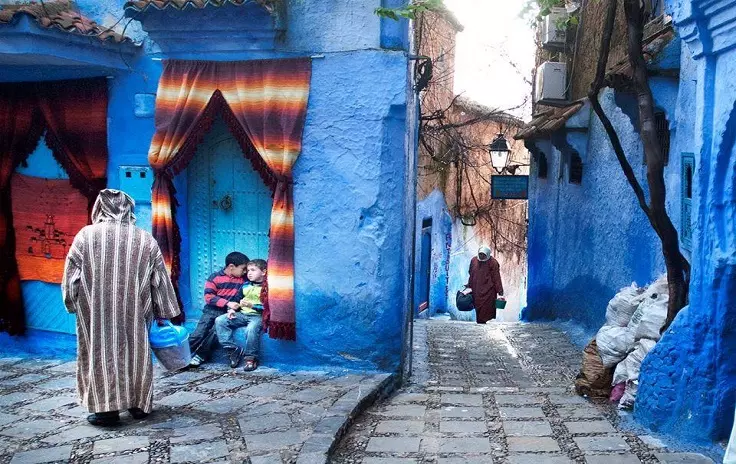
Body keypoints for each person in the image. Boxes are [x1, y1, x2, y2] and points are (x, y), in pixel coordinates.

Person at [62, 189, 180, 427]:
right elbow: (159, 279)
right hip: (135, 311)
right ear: (129, 209)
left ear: (99, 208)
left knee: (100, 354)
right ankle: (138, 405)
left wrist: (73, 304)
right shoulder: (145, 239)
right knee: (135, 353)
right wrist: (164, 311)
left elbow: (71, 278)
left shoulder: (86, 236)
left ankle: (106, 411)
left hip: (95, 311)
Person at [188, 251, 249, 367]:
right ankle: (181, 355)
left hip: (226, 313)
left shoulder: (243, 280)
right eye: (243, 269)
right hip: (211, 310)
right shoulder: (215, 277)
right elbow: (209, 297)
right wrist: (227, 303)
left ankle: (200, 355)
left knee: (215, 334)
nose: (245, 272)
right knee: (199, 333)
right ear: (231, 266)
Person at [214, 259, 266, 371]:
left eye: (253, 270)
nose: (249, 273)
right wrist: (231, 310)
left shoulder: (267, 288)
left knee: (251, 329)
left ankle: (251, 359)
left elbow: (269, 307)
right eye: (248, 270)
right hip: (242, 314)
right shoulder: (245, 285)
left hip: (257, 316)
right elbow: (236, 300)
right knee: (220, 320)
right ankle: (232, 350)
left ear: (263, 272)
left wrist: (252, 306)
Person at [463, 245, 504, 324]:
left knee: (486, 306)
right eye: (480, 254)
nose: (481, 256)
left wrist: (500, 290)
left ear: (488, 254)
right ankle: (480, 321)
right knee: (478, 305)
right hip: (476, 288)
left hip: (489, 290)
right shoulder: (474, 260)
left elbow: (496, 277)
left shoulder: (493, 262)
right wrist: (469, 285)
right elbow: (471, 273)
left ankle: (482, 321)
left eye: (483, 255)